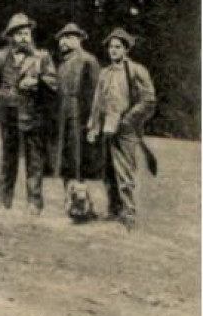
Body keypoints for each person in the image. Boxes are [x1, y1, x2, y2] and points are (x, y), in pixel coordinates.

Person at [0, 13, 59, 214]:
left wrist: (37, 82)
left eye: (27, 33)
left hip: (32, 113)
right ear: (11, 37)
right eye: (19, 34)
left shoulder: (42, 57)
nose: (24, 37)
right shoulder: (2, 56)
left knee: (34, 158)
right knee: (9, 157)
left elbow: (53, 83)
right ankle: (3, 199)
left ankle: (34, 203)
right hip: (8, 113)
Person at [86, 28, 156, 230]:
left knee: (124, 173)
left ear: (126, 50)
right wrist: (93, 127)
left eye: (118, 47)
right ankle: (114, 209)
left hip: (126, 130)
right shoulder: (105, 73)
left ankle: (129, 214)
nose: (113, 51)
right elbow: (97, 103)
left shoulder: (136, 70)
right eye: (110, 47)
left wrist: (128, 120)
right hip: (107, 129)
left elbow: (149, 100)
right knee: (108, 172)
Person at [50, 23, 101, 189]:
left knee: (78, 154)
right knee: (65, 155)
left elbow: (96, 92)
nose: (64, 41)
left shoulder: (88, 60)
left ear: (79, 40)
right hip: (62, 113)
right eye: (62, 38)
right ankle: (70, 193)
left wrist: (92, 120)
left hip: (80, 113)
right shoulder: (63, 63)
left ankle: (81, 195)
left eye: (70, 37)